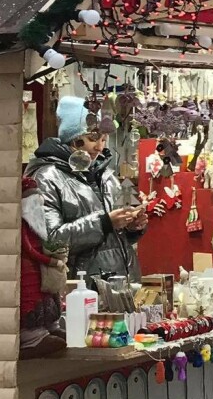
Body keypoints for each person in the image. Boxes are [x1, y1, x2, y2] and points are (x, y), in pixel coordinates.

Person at [31, 96, 145, 281]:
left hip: (122, 283)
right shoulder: (47, 178)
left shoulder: (106, 175)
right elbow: (51, 242)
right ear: (74, 138)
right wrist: (104, 223)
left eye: (104, 139)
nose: (100, 146)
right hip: (79, 288)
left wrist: (132, 226)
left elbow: (117, 238)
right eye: (93, 137)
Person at [19, 174, 67, 358]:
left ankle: (50, 326)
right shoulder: (24, 227)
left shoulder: (37, 227)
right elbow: (30, 250)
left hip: (41, 271)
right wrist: (50, 260)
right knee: (32, 301)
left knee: (49, 294)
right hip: (30, 270)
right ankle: (32, 336)